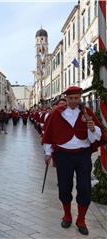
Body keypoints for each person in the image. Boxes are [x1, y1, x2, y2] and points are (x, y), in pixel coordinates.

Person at [42, 86, 107, 235]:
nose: (73, 101)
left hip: (83, 155)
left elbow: (96, 137)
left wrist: (92, 129)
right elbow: (49, 133)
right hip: (63, 155)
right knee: (64, 185)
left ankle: (81, 219)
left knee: (84, 187)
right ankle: (67, 214)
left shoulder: (87, 112)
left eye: (76, 98)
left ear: (80, 98)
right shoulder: (56, 114)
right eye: (71, 98)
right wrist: (47, 152)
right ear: (66, 98)